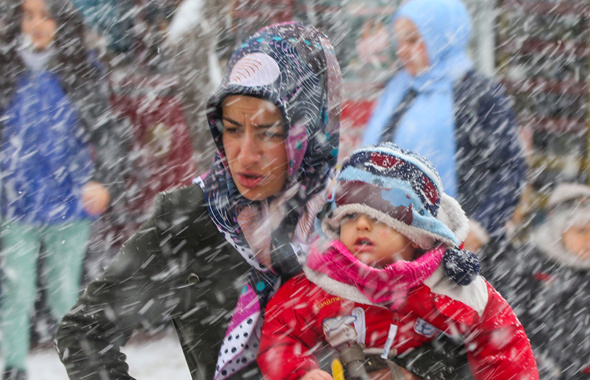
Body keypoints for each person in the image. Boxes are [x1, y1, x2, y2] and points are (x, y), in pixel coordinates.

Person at [55, 22, 342, 379]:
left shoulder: (353, 219)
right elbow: (84, 332)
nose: (245, 154)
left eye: (268, 132)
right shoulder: (190, 219)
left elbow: (417, 340)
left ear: (309, 130)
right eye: (233, 129)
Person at [257, 143, 539, 380]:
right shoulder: (320, 284)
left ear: (418, 236)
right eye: (350, 216)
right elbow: (279, 335)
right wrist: (300, 371)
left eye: (380, 218)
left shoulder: (447, 286)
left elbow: (503, 344)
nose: (362, 225)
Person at [0, 1, 128, 379]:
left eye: (46, 15)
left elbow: (106, 132)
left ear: (61, 22)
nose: (37, 24)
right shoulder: (6, 71)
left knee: (64, 296)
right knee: (15, 293)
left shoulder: (79, 69)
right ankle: (13, 368)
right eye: (29, 15)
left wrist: (105, 181)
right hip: (14, 204)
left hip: (68, 204)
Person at [362, 0, 526, 252]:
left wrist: (480, 227)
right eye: (399, 41)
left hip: (458, 249)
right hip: (394, 245)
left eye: (413, 40)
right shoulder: (398, 90)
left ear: (442, 37)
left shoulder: (479, 94)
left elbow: (510, 167)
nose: (402, 51)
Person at [482, 183, 590, 379]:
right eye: (581, 231)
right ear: (559, 231)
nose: (589, 239)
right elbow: (513, 323)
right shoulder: (528, 266)